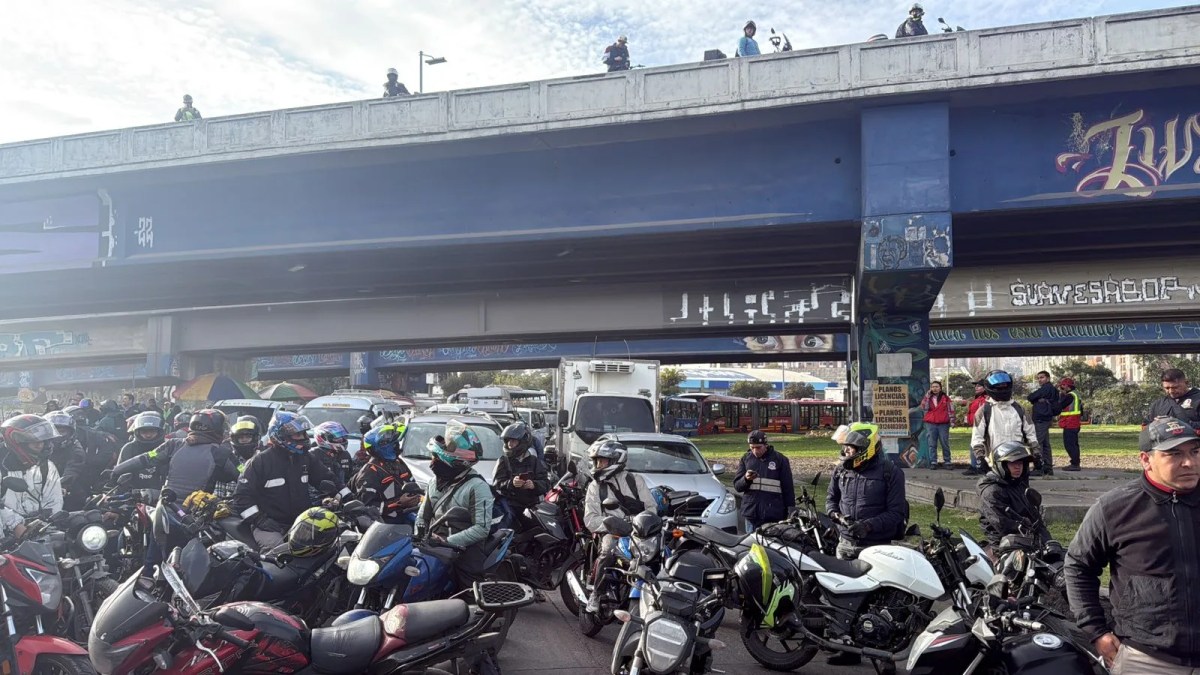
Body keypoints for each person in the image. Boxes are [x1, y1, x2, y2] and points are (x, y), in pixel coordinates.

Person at [1065, 417, 1200, 673]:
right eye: (1174, 454)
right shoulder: (1114, 508)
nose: (1189, 463)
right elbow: (1078, 566)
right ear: (1146, 459)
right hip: (1145, 659)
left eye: (1195, 451)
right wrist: (1096, 631)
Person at [824, 422, 907, 666]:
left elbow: (896, 513)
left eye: (852, 447)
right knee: (844, 599)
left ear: (867, 447)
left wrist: (868, 526)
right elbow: (830, 500)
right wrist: (836, 516)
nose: (847, 451)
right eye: (846, 447)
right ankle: (848, 649)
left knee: (880, 603)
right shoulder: (841, 469)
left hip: (878, 547)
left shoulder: (891, 472)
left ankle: (885, 658)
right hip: (845, 544)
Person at [232, 412, 349, 550]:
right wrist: (260, 520)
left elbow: (330, 480)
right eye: (298, 435)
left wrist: (352, 501)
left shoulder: (306, 458)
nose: (304, 438)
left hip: (302, 522)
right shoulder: (260, 462)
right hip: (270, 527)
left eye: (304, 433)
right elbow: (241, 498)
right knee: (278, 551)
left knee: (331, 545)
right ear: (281, 436)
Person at [414, 420, 496, 584]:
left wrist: (447, 542)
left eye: (435, 458)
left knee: (468, 589)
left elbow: (481, 528)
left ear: (450, 461)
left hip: (463, 548)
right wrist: (419, 534)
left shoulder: (477, 487)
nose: (431, 463)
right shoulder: (434, 482)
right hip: (433, 544)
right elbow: (423, 515)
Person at [582, 438, 655, 614]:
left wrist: (640, 522)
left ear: (616, 460)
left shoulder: (635, 480)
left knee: (661, 553)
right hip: (611, 532)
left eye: (602, 461)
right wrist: (612, 524)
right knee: (608, 552)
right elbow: (590, 519)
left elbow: (651, 508)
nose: (598, 465)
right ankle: (596, 594)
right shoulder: (595, 486)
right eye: (596, 461)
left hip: (638, 532)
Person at [977, 441, 1050, 547]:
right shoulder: (992, 492)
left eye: (1021, 463)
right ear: (1001, 465)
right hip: (1004, 546)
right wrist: (1032, 537)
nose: (1018, 467)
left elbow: (1036, 520)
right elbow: (1003, 526)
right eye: (1013, 463)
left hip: (1028, 541)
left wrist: (1049, 543)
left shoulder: (1019, 485)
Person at [349, 423, 420, 524]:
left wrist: (415, 497)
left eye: (396, 442)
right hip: (384, 526)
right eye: (393, 443)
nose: (397, 446)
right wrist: (398, 503)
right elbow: (367, 508)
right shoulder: (369, 472)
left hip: (407, 517)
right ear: (382, 447)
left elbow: (413, 485)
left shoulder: (398, 462)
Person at [970, 370, 1039, 473]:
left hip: (1019, 461)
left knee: (1021, 484)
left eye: (1004, 387)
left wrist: (1036, 454)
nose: (1002, 390)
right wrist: (980, 457)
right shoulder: (984, 411)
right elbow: (977, 437)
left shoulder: (1020, 409)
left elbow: (1031, 434)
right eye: (998, 388)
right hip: (994, 463)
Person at [0, 415, 64, 519]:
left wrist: (49, 518)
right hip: (6, 526)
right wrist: (14, 522)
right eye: (33, 441)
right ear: (18, 441)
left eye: (42, 441)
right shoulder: (2, 467)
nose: (40, 445)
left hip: (39, 524)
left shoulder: (47, 466)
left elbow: (54, 500)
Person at [733, 430, 795, 530]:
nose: (755, 451)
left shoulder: (780, 460)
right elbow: (737, 486)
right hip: (751, 515)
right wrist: (746, 479)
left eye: (758, 447)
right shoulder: (746, 459)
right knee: (752, 541)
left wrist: (791, 511)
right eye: (752, 448)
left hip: (773, 516)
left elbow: (788, 489)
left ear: (766, 445)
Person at [494, 422, 550, 530]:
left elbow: (546, 483)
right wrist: (511, 483)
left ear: (523, 442)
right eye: (508, 441)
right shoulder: (503, 461)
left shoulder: (534, 461)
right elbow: (497, 484)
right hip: (510, 508)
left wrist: (534, 485)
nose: (510, 444)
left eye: (513, 441)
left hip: (531, 508)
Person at [115, 411, 168, 492]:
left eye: (152, 431)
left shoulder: (167, 448)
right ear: (137, 432)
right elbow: (120, 473)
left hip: (162, 494)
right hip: (131, 494)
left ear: (160, 431)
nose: (148, 435)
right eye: (144, 431)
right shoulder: (129, 448)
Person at [42, 411, 85, 499]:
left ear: (70, 433)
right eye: (54, 431)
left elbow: (72, 469)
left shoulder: (75, 449)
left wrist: (62, 485)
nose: (57, 435)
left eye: (62, 431)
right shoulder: (41, 446)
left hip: (65, 489)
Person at [1027, 371, 1059, 476]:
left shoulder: (1046, 388)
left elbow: (1031, 397)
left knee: (1037, 443)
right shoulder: (1052, 389)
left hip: (1041, 418)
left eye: (1042, 377)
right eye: (1038, 378)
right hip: (1046, 418)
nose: (1040, 380)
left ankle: (1039, 467)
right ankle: (1048, 467)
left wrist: (1036, 399)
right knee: (1045, 444)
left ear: (1048, 378)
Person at [921, 381, 955, 471]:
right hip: (931, 423)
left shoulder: (945, 398)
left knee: (944, 443)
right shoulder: (928, 397)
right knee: (932, 443)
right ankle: (933, 462)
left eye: (936, 386)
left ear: (940, 388)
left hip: (943, 423)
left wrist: (952, 421)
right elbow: (923, 407)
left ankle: (947, 461)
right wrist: (927, 397)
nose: (934, 388)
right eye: (933, 387)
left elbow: (951, 409)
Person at [1058, 378, 1083, 472]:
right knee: (1074, 444)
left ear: (1067, 386)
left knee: (1069, 445)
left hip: (1070, 422)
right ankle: (1075, 463)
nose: (1061, 387)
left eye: (1062, 386)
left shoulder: (1069, 396)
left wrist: (1061, 395)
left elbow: (1060, 405)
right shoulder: (1077, 394)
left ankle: (1075, 464)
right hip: (1075, 422)